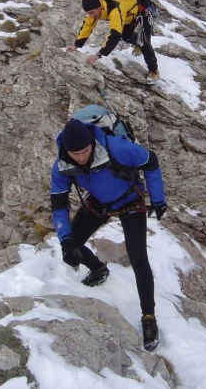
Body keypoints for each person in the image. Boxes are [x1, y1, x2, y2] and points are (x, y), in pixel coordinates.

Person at [50, 118, 167, 351]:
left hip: (129, 198)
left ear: (92, 143)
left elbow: (150, 160)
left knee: (138, 258)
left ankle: (148, 317)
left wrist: (158, 199)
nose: (81, 158)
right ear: (66, 151)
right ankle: (98, 268)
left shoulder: (117, 148)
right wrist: (65, 238)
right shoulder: (61, 165)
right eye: (76, 154)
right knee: (71, 253)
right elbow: (58, 205)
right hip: (98, 202)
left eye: (85, 151)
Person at [66, 0, 160, 85]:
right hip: (128, 15)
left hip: (145, 12)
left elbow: (114, 35)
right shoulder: (95, 10)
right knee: (126, 37)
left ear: (100, 7)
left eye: (92, 12)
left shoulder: (114, 8)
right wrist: (76, 45)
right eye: (88, 13)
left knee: (145, 42)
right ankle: (138, 42)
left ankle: (154, 70)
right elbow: (87, 26)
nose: (91, 16)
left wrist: (99, 54)